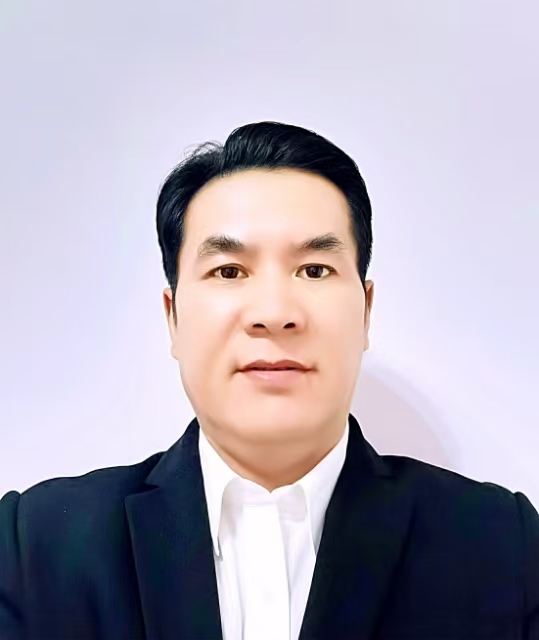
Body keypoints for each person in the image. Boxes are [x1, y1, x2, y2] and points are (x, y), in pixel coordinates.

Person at [1, 121, 538, 640]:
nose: (274, 313)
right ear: (173, 317)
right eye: (229, 271)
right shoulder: (34, 548)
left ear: (366, 311)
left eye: (314, 270)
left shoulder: (501, 546)